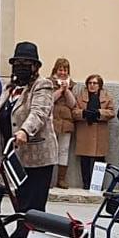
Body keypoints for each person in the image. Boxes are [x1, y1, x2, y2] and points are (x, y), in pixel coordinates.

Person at [0, 41, 60, 216]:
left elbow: (39, 113)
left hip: (37, 156)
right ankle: (22, 231)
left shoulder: (43, 85)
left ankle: (31, 235)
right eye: (17, 64)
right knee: (21, 199)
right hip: (14, 155)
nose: (20, 67)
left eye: (25, 64)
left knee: (34, 205)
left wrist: (24, 131)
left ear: (35, 66)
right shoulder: (10, 87)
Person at [70, 73, 115, 190]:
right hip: (85, 131)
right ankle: (86, 183)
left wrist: (100, 113)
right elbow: (74, 112)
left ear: (99, 85)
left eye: (95, 83)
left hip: (100, 132)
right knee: (84, 159)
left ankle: (97, 184)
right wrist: (83, 113)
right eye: (90, 83)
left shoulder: (106, 97)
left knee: (99, 159)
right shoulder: (80, 96)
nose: (92, 85)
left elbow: (111, 112)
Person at [49, 56, 79, 186]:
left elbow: (73, 104)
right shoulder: (48, 82)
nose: (63, 73)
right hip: (51, 121)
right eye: (60, 70)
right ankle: (47, 178)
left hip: (66, 122)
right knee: (50, 150)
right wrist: (60, 90)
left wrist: (66, 91)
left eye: (65, 70)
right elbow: (49, 100)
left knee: (64, 150)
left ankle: (61, 179)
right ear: (56, 70)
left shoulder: (73, 85)